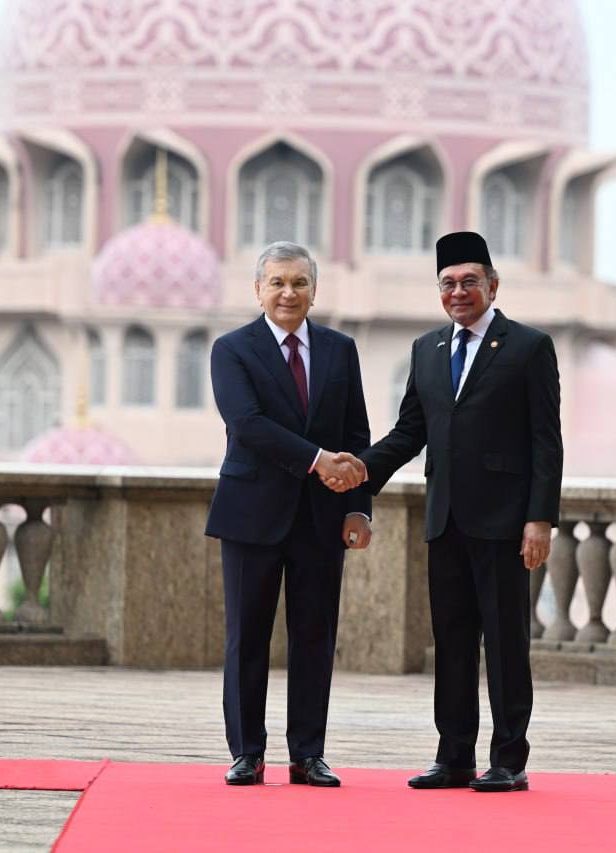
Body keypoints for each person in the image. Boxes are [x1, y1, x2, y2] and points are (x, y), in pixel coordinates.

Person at [355, 231, 563, 793]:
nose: (458, 292)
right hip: (445, 520)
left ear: (493, 285)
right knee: (450, 643)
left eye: (470, 281)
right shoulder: (427, 351)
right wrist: (359, 473)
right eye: (448, 283)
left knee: (504, 644)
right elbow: (410, 433)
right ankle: (454, 758)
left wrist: (539, 519)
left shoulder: (528, 347)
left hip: (504, 523)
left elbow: (547, 442)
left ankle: (509, 760)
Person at [205, 240, 372, 788]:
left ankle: (308, 754)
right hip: (252, 514)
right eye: (276, 282)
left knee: (314, 637)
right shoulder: (232, 350)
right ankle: (247, 753)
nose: (288, 292)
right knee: (247, 637)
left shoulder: (340, 349)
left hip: (322, 519)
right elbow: (247, 424)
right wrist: (317, 460)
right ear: (258, 290)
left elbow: (356, 435)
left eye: (299, 282)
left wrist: (358, 509)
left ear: (314, 290)